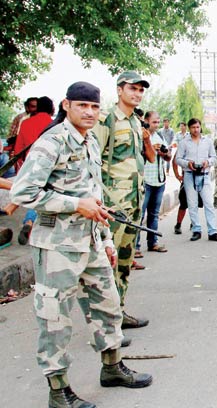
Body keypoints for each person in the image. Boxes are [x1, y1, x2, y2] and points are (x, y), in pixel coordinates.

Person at [10, 81, 152, 407]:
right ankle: (59, 391)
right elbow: (22, 193)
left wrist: (106, 241)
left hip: (90, 241)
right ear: (66, 105)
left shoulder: (88, 141)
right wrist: (75, 205)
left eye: (94, 107)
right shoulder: (53, 142)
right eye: (82, 106)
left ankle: (112, 367)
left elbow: (93, 196)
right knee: (56, 320)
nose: (89, 112)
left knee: (108, 305)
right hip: (57, 246)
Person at [91, 71, 156, 330]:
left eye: (141, 90)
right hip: (112, 205)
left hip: (134, 203)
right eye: (133, 88)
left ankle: (119, 312)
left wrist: (148, 139)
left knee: (126, 261)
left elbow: (148, 158)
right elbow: (91, 162)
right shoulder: (106, 120)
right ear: (120, 90)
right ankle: (107, 324)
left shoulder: (135, 123)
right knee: (109, 262)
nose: (137, 94)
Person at [13, 96, 55, 245]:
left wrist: (20, 173)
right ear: (52, 109)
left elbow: (18, 151)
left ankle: (30, 222)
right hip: (50, 169)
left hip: (30, 167)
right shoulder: (55, 124)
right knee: (46, 199)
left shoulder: (26, 123)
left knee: (34, 197)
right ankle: (33, 223)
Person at [176, 118, 217, 242]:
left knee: (208, 203)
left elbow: (214, 157)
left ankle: (213, 231)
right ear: (189, 129)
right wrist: (188, 163)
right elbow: (178, 159)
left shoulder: (207, 141)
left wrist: (208, 162)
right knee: (192, 204)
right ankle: (196, 230)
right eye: (193, 127)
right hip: (189, 175)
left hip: (204, 175)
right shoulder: (184, 142)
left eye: (197, 127)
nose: (196, 130)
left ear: (200, 127)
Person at [135, 111, 171, 256]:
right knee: (140, 214)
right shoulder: (139, 135)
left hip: (159, 180)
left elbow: (168, 156)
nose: (156, 125)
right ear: (146, 121)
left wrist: (163, 153)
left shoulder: (160, 136)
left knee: (154, 214)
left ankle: (153, 242)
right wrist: (149, 148)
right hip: (145, 180)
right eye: (154, 122)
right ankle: (135, 247)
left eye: (158, 122)